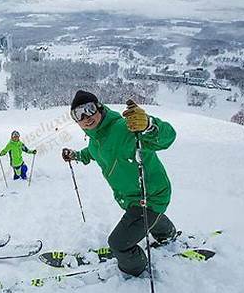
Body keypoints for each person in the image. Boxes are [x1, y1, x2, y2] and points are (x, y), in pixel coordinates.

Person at [62, 90, 177, 277]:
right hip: (131, 198)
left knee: (118, 244)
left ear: (99, 107)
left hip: (150, 195)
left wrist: (149, 125)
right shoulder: (94, 140)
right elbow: (92, 153)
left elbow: (168, 137)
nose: (85, 117)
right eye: (78, 114)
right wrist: (75, 155)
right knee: (146, 216)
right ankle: (167, 233)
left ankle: (136, 269)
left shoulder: (126, 127)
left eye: (89, 109)